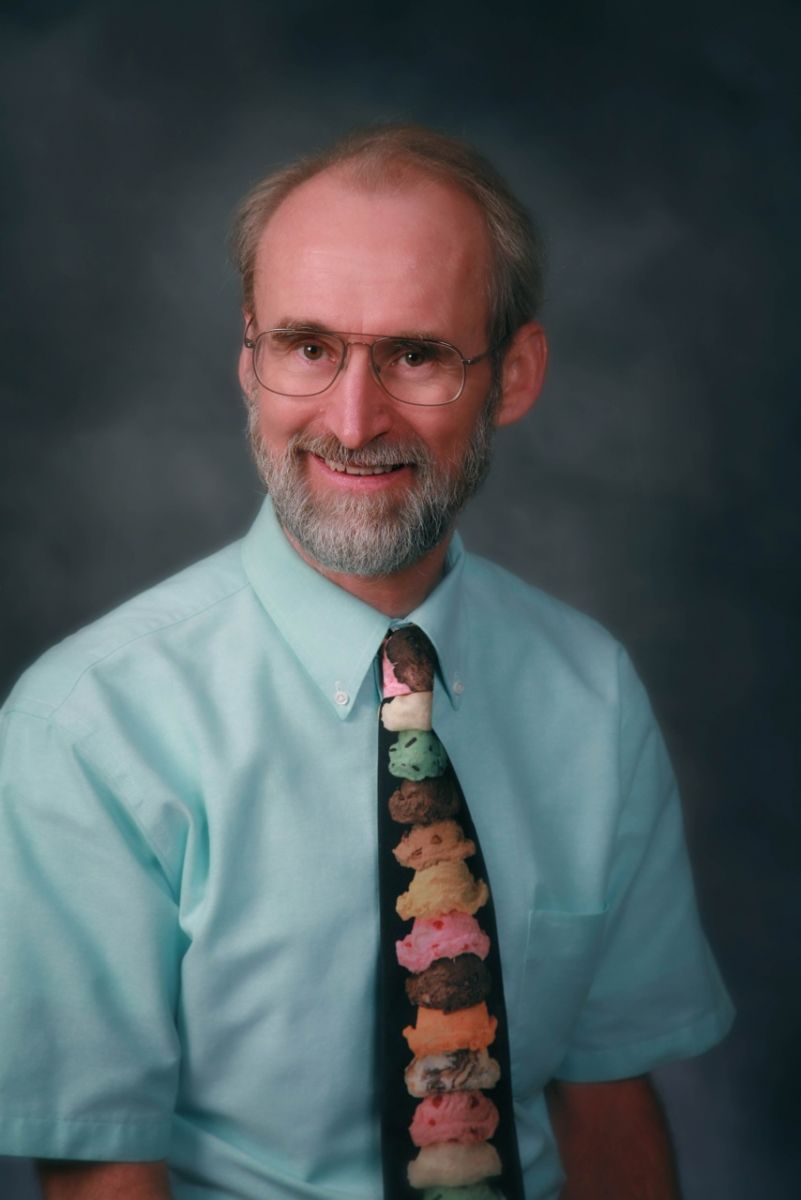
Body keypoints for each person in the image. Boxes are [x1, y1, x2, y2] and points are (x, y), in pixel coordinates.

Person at [0, 125, 733, 1200]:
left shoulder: (591, 693)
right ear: (248, 361)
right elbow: (102, 1175)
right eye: (307, 348)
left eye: (416, 355)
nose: (352, 421)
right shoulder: (90, 726)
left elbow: (608, 1096)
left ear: (514, 374)